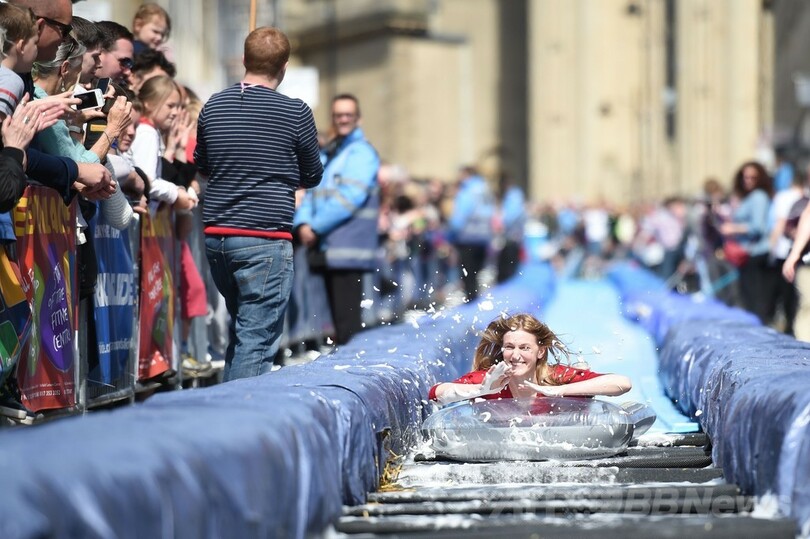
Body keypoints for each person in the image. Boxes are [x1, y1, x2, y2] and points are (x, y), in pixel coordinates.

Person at [197, 27, 322, 380]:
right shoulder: (296, 112)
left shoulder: (214, 105)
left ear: (244, 60)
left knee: (244, 331)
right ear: (283, 66)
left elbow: (203, 165)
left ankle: (228, 406)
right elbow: (312, 174)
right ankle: (238, 420)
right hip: (264, 239)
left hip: (218, 238)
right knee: (257, 339)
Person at [294, 93, 380, 345]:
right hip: (329, 245)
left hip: (346, 246)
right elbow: (311, 190)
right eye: (338, 115)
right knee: (338, 323)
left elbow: (348, 197)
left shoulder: (361, 153)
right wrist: (303, 223)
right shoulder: (332, 153)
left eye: (348, 115)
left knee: (347, 324)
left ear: (358, 119)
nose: (343, 120)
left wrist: (314, 226)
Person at [428, 313, 632, 405]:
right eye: (509, 347)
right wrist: (482, 390)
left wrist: (560, 390)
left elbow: (622, 383)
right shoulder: (491, 379)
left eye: (525, 348)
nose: (516, 355)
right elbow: (436, 392)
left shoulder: (555, 376)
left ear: (540, 351)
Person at [719, 161, 774, 323]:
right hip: (747, 253)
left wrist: (733, 228)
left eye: (753, 177)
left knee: (754, 297)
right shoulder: (748, 197)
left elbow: (758, 227)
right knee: (747, 295)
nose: (748, 180)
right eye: (745, 177)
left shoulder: (758, 197)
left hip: (754, 252)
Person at [448, 165, 494, 301]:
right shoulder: (486, 190)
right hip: (484, 236)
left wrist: (451, 234)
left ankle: (470, 301)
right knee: (477, 271)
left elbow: (460, 216)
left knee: (468, 273)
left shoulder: (466, 191)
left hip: (467, 237)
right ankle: (475, 299)